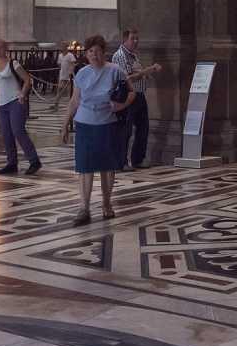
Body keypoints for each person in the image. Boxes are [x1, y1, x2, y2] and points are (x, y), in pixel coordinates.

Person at [63, 35, 133, 224]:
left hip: (107, 123)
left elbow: (132, 91)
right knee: (84, 167)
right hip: (85, 124)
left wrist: (121, 106)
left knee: (107, 167)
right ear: (86, 54)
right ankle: (83, 208)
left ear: (104, 52)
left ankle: (107, 203)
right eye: (90, 51)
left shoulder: (115, 71)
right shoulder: (82, 73)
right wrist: (65, 124)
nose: (94, 55)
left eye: (98, 51)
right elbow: (75, 100)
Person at [110, 28, 162, 170]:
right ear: (125, 39)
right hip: (127, 96)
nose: (136, 41)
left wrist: (145, 74)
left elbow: (138, 73)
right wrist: (149, 69)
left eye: (137, 38)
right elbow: (128, 77)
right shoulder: (120, 55)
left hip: (139, 95)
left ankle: (138, 159)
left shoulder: (134, 56)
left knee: (143, 128)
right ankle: (121, 161)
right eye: (133, 38)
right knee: (125, 130)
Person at [0, 39, 41, 175]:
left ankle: (34, 161)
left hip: (15, 102)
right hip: (2, 105)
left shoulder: (13, 63)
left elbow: (27, 79)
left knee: (18, 131)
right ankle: (12, 163)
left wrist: (22, 94)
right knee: (6, 135)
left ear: (5, 49)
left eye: (0, 48)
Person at [53, 42, 76, 111]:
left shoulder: (70, 55)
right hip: (62, 75)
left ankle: (71, 105)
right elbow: (60, 65)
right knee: (59, 89)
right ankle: (56, 104)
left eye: (63, 46)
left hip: (69, 76)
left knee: (70, 91)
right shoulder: (60, 55)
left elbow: (73, 64)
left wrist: (71, 72)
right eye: (61, 46)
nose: (62, 48)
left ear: (66, 47)